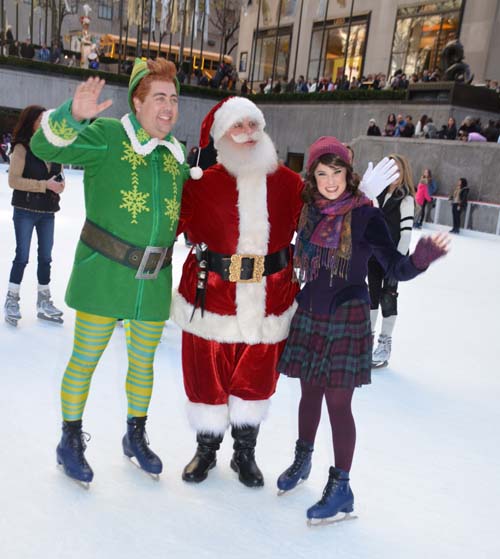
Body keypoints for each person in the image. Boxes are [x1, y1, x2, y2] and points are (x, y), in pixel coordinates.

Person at [30, 58, 190, 485]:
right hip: (105, 274)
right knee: (85, 360)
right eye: (159, 97)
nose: (169, 107)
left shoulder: (175, 157)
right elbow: (45, 148)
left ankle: (134, 436)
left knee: (143, 365)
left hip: (153, 283)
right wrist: (72, 117)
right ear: (137, 102)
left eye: (174, 99)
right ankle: (69, 440)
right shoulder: (108, 137)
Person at [275, 137, 448, 524]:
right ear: (312, 178)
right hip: (311, 312)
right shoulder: (310, 213)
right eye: (322, 173)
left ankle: (342, 488)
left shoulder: (366, 217)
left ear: (348, 174)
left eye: (337, 172)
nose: (330, 181)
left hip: (347, 317)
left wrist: (420, 259)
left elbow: (395, 268)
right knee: (308, 394)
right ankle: (303, 459)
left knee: (338, 404)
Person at [4, 105, 65, 327]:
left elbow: (58, 176)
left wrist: (59, 185)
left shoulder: (53, 147)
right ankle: (11, 300)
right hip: (25, 211)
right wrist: (43, 185)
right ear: (31, 121)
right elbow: (13, 181)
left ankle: (44, 300)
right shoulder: (21, 148)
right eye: (41, 119)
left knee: (46, 258)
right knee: (22, 256)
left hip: (48, 212)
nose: (45, 123)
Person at [368, 154, 416, 368]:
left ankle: (384, 344)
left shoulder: (405, 199)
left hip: (393, 258)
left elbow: (406, 233)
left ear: (403, 172)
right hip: (372, 255)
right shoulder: (376, 194)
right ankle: (366, 341)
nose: (393, 174)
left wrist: (396, 262)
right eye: (390, 169)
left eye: (397, 169)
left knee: (388, 298)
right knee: (370, 297)